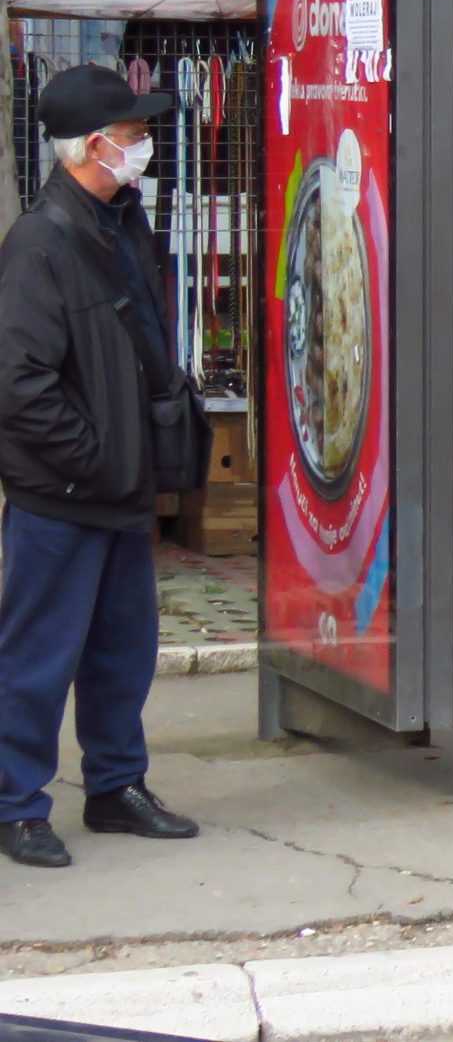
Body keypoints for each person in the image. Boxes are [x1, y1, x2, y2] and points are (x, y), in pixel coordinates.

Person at [0, 65, 203, 869]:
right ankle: (16, 805)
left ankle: (117, 786)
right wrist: (94, 460)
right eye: (131, 134)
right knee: (38, 655)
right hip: (67, 491)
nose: (143, 146)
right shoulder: (40, 244)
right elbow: (20, 386)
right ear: (93, 145)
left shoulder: (120, 221)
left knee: (123, 648)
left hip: (116, 483)